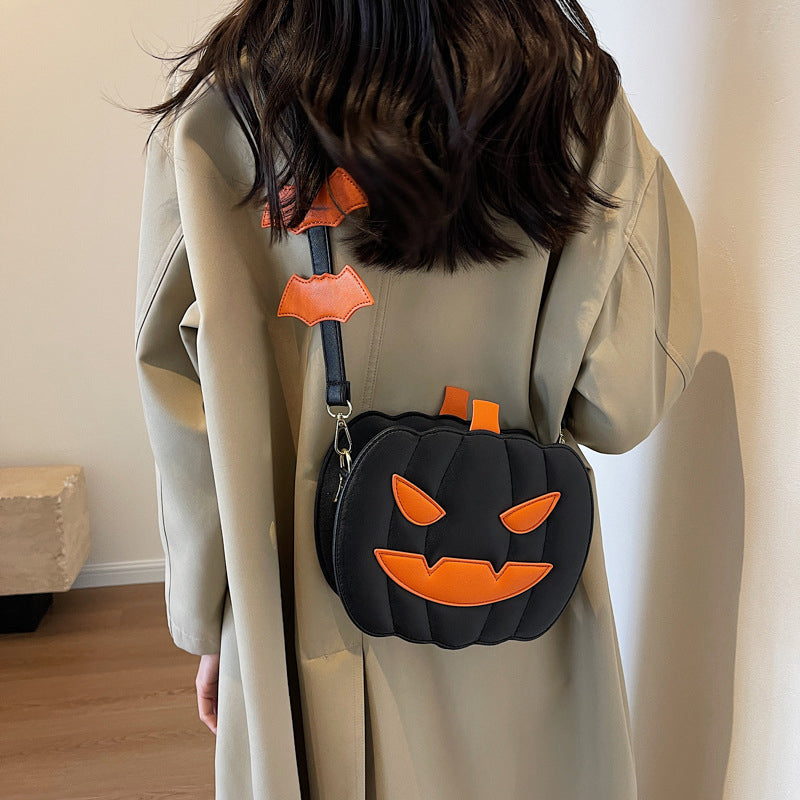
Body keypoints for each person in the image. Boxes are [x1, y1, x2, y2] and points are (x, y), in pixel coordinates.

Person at [131, 1, 702, 798]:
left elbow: (182, 396)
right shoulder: (578, 105)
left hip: (291, 597)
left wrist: (209, 617)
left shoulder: (227, 108)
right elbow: (621, 402)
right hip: (509, 588)